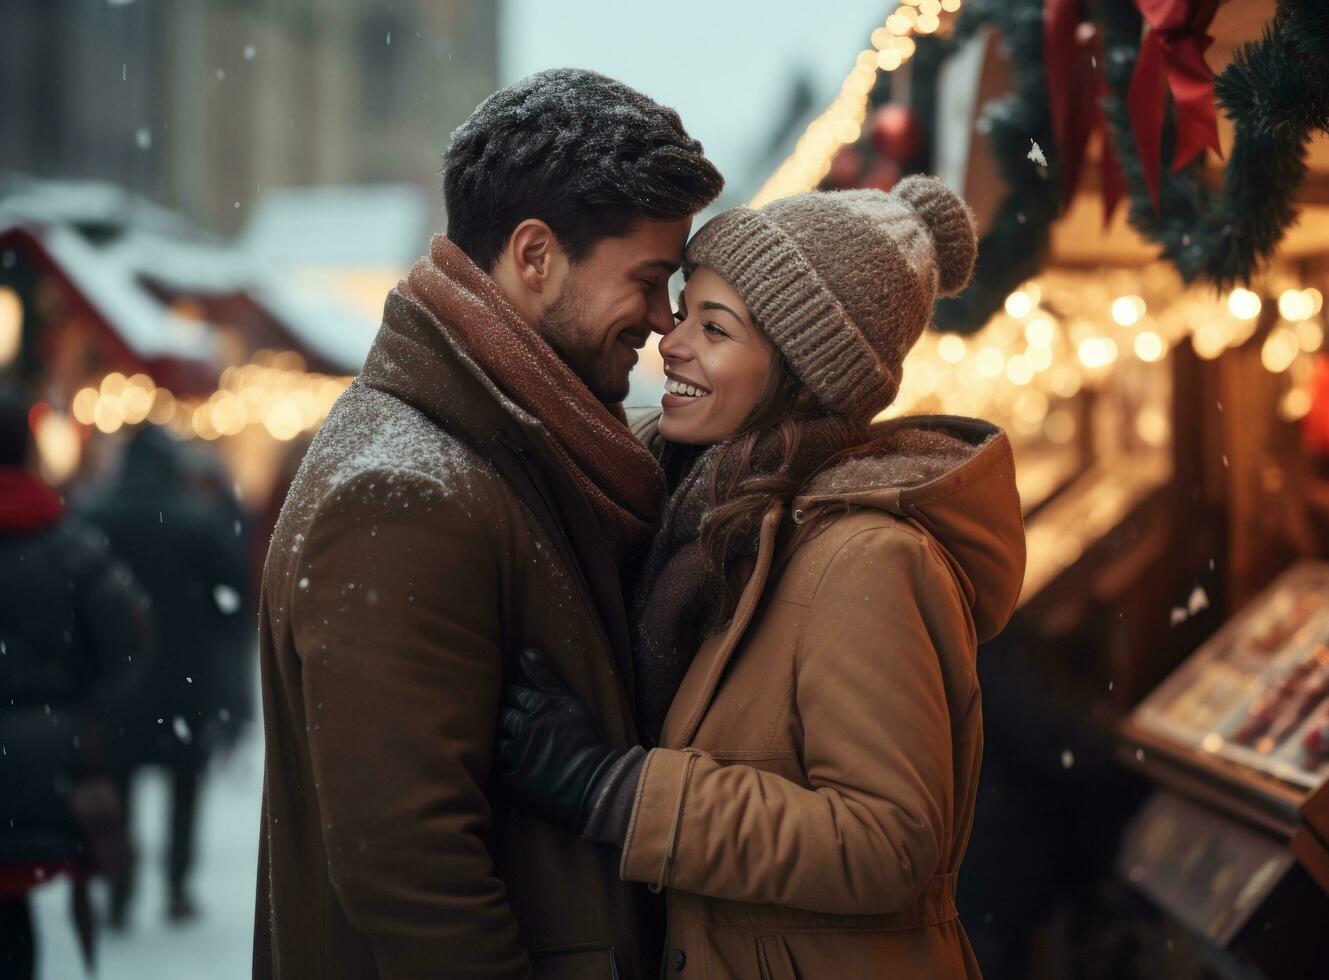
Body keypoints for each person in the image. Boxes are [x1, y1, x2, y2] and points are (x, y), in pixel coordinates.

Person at [253, 69, 722, 979]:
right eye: (649, 280)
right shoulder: (405, 489)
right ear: (535, 255)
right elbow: (413, 875)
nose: (663, 323)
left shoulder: (497, 447)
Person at [496, 177, 1027, 978]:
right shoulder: (706, 525)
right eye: (682, 313)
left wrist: (619, 790)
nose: (669, 340)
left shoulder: (867, 560)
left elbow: (888, 842)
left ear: (802, 374)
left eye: (715, 328)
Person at [0, 379, 148, 978]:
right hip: (46, 763)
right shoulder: (72, 547)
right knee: (15, 923)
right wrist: (80, 711)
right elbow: (129, 642)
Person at [80, 425, 250, 926]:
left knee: (120, 782)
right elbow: (233, 599)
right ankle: (177, 884)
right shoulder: (199, 521)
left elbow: (77, 603)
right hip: (186, 678)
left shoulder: (96, 515)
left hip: (119, 680)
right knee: (185, 784)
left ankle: (118, 886)